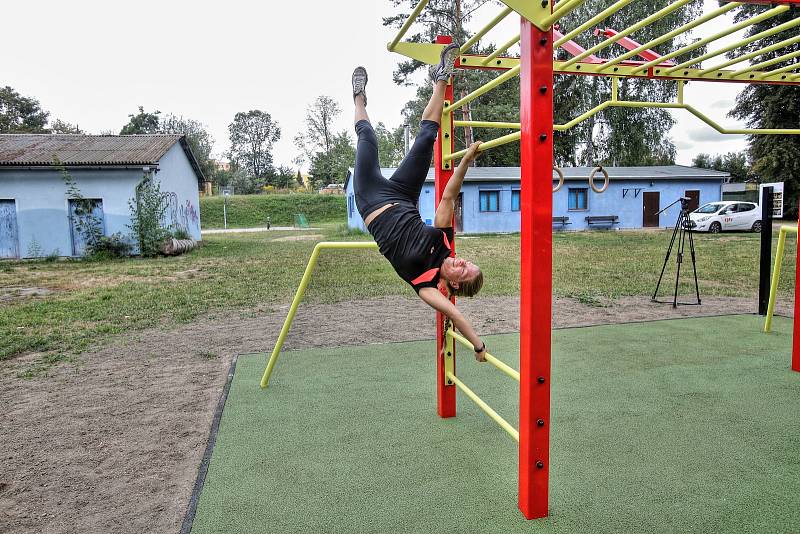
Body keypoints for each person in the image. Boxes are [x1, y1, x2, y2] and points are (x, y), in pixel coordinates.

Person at [351, 43, 488, 362]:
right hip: (402, 196)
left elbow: (458, 317)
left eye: (464, 271)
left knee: (367, 139)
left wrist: (479, 347)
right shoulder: (445, 242)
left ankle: (358, 98)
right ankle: (443, 76)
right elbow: (448, 196)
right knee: (427, 138)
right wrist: (466, 160)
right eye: (467, 263)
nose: (461, 263)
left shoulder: (426, 285)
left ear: (454, 285)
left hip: (371, 201)